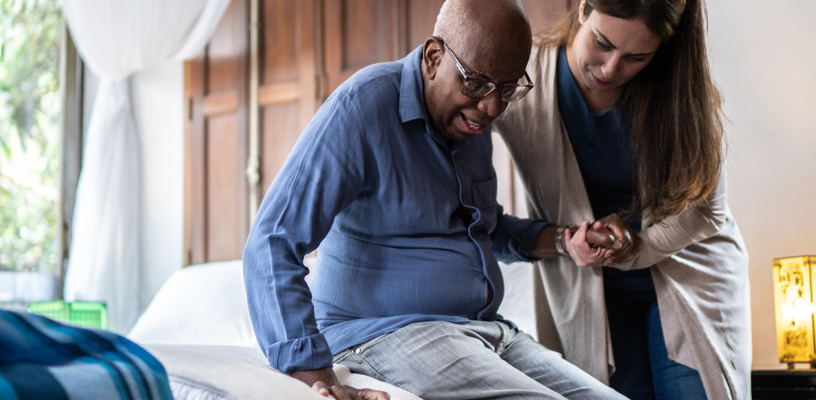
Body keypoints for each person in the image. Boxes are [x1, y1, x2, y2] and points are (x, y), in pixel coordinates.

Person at [243, 1, 630, 399]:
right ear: (433, 58)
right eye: (478, 84)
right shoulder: (363, 106)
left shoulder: (468, 124)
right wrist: (312, 374)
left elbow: (485, 229)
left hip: (487, 330)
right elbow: (273, 239)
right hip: (384, 333)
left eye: (508, 88)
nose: (492, 108)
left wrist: (566, 240)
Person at [492, 0, 751, 399]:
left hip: (688, 273)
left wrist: (639, 247)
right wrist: (562, 239)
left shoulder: (682, 89)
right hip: (591, 289)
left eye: (636, 57)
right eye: (602, 42)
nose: (611, 69)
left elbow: (708, 210)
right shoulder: (521, 75)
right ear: (582, 9)